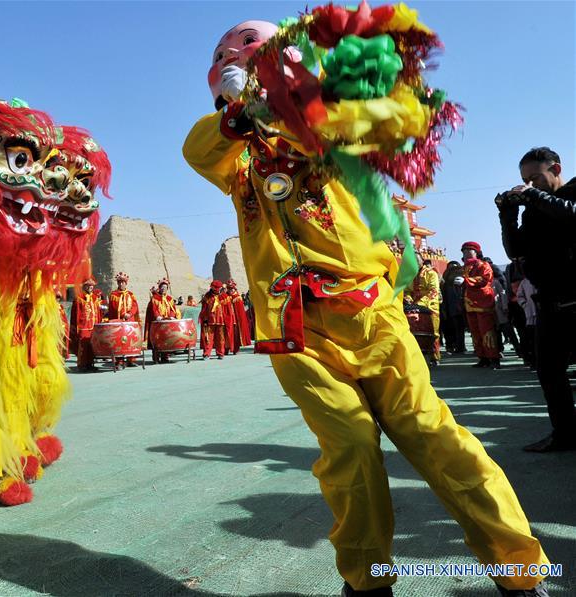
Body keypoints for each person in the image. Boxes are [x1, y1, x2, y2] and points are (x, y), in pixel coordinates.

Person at [184, 19, 549, 596]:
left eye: (265, 76)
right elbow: (198, 149)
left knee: (435, 436)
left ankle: (520, 571)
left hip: (373, 314)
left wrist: (284, 102)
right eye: (243, 79)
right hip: (296, 331)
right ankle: (367, 584)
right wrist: (239, 115)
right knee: (351, 453)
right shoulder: (238, 160)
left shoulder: (337, 123)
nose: (257, 90)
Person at [496, 146, 576, 452]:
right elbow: (515, 251)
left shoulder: (572, 191)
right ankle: (565, 433)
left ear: (555, 169)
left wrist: (535, 197)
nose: (529, 185)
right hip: (549, 304)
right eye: (524, 181)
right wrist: (507, 215)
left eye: (535, 178)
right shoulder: (534, 209)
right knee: (549, 373)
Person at [460, 242, 500, 369]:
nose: (466, 253)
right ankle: (482, 358)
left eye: (469, 251)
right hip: (469, 303)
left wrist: (466, 280)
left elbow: (485, 279)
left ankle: (494, 358)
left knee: (486, 331)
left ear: (476, 252)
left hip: (483, 302)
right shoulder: (464, 267)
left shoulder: (484, 265)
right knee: (475, 332)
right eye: (464, 251)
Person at [407, 259, 442, 364]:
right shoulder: (410, 275)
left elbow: (434, 291)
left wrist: (420, 303)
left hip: (430, 306)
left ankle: (435, 356)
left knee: (433, 331)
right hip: (414, 307)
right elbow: (407, 290)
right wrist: (408, 298)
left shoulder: (431, 273)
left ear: (421, 261)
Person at [107, 271, 141, 367]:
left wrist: (129, 314)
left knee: (131, 339)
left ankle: (131, 360)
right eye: (120, 282)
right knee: (119, 340)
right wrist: (123, 314)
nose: (121, 284)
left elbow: (134, 306)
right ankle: (119, 361)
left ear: (126, 283)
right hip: (118, 321)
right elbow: (113, 307)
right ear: (118, 283)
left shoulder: (131, 294)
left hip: (129, 321)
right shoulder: (113, 295)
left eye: (123, 282)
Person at [69, 277, 103, 372]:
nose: (90, 287)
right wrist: (75, 327)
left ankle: (90, 364)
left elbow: (99, 313)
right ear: (84, 286)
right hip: (83, 327)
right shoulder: (79, 298)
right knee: (83, 346)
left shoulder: (95, 298)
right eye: (88, 285)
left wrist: (99, 325)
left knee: (92, 346)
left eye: (91, 286)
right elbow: (75, 314)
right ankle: (82, 364)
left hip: (93, 327)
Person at [144, 278, 181, 362]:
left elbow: (173, 309)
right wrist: (158, 317)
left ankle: (165, 357)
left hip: (167, 323)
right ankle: (156, 357)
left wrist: (171, 316)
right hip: (157, 323)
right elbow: (154, 310)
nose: (164, 289)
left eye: (165, 287)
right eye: (162, 287)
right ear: (159, 288)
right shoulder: (155, 298)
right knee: (157, 339)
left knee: (166, 339)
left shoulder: (169, 299)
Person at [440, 261, 467, 354]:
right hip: (449, 308)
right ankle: (454, 346)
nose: (453, 269)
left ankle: (460, 346)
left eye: (455, 267)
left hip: (462, 307)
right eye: (450, 268)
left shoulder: (462, 280)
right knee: (450, 328)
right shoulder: (445, 282)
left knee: (460, 328)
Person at [199, 280, 226, 359]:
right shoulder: (207, 296)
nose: (217, 290)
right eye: (215, 288)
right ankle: (207, 354)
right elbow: (204, 309)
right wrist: (204, 319)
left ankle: (220, 353)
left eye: (218, 288)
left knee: (220, 338)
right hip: (209, 321)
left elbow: (227, 310)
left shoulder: (224, 296)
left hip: (221, 320)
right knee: (208, 338)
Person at [224, 279, 251, 354]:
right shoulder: (225, 297)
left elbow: (240, 312)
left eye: (232, 289)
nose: (230, 290)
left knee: (236, 335)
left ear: (234, 289)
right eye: (229, 289)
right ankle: (226, 348)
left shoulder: (238, 298)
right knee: (226, 334)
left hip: (236, 320)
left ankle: (235, 349)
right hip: (227, 320)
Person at [516, 277, 537, 369]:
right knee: (531, 340)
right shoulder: (524, 282)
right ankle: (533, 361)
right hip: (530, 314)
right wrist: (524, 304)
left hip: (543, 313)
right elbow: (519, 295)